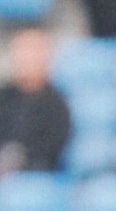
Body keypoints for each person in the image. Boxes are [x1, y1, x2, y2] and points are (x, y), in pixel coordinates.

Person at [0, 26, 72, 175]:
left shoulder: (57, 103)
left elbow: (53, 148)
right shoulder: (4, 97)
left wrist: (18, 159)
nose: (28, 58)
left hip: (36, 175)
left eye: (33, 51)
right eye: (22, 51)